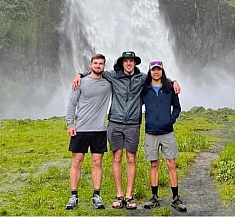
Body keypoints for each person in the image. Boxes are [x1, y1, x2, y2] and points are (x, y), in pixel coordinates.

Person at [72, 51, 180, 210]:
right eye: (126, 61)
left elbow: (158, 77)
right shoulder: (113, 76)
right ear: (122, 63)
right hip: (115, 122)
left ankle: (129, 195)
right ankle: (119, 194)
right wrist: (79, 74)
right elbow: (97, 70)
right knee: (117, 157)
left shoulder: (142, 78)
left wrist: (174, 81)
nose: (129, 63)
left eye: (132, 61)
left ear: (135, 63)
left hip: (132, 124)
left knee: (131, 158)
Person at [65, 53, 112, 210]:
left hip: (99, 129)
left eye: (101, 64)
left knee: (97, 162)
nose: (98, 66)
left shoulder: (109, 82)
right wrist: (70, 124)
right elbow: (72, 104)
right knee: (77, 161)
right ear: (90, 65)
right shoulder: (81, 82)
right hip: (81, 128)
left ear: (104, 66)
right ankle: (73, 196)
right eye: (95, 63)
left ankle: (96, 195)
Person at [141, 60, 187, 212]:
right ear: (150, 71)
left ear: (162, 71)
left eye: (158, 70)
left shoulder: (169, 88)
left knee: (171, 164)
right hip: (151, 132)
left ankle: (175, 197)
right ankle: (154, 197)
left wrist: (171, 120)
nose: (156, 72)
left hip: (167, 131)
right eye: (153, 70)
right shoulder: (145, 88)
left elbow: (177, 107)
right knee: (153, 164)